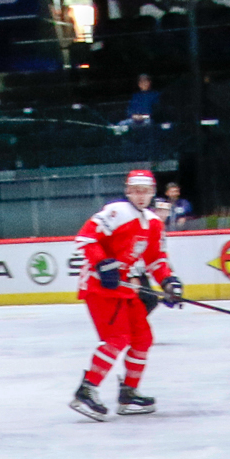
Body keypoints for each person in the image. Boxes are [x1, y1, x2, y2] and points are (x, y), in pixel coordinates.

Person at [70, 168, 180, 421]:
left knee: (142, 337)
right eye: (136, 191)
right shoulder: (117, 211)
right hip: (100, 287)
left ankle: (129, 393)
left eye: (146, 191)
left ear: (153, 193)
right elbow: (86, 238)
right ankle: (86, 391)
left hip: (126, 289)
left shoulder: (153, 223)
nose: (141, 196)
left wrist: (169, 282)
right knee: (117, 338)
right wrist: (102, 263)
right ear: (128, 191)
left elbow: (155, 259)